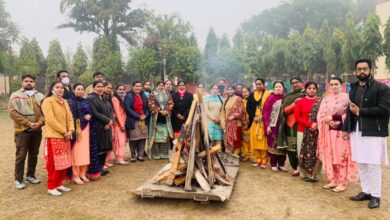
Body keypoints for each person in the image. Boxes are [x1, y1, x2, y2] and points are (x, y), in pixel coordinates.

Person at [344, 59, 390, 209]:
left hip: (373, 131)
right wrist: (346, 128)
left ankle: (376, 196)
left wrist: (361, 111)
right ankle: (366, 191)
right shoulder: (354, 87)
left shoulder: (381, 88)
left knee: (373, 164)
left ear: (370, 70)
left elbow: (384, 109)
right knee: (361, 162)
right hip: (356, 130)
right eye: (359, 69)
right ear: (355, 71)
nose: (362, 71)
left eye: (365, 68)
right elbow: (349, 110)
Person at [317, 77, 358, 192]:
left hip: (342, 133)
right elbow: (320, 115)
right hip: (328, 132)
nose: (334, 86)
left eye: (336, 84)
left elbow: (352, 115)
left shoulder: (347, 98)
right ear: (328, 86)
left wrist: (338, 119)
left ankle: (342, 183)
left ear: (342, 85)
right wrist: (329, 121)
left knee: (341, 157)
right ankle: (333, 180)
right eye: (332, 84)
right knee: (330, 156)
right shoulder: (326, 99)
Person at [8, 74, 45, 189]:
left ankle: (30, 175)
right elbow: (13, 113)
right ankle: (18, 179)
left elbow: (45, 113)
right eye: (26, 81)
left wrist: (39, 123)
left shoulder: (40, 96)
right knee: (21, 155)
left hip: (37, 130)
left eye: (31, 81)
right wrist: (29, 123)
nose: (29, 83)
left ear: (34, 83)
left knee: (34, 154)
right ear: (22, 82)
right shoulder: (15, 95)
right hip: (22, 131)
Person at [41, 81, 74, 196]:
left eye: (62, 88)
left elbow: (70, 118)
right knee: (54, 163)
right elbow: (50, 119)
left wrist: (70, 130)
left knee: (64, 162)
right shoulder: (47, 101)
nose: (60, 89)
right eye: (57, 87)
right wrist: (65, 131)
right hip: (54, 136)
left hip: (66, 136)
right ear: (52, 89)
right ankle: (51, 186)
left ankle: (59, 183)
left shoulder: (64, 101)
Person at [277, 77, 305, 176]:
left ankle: (303, 167)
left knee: (302, 147)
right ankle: (296, 167)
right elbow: (284, 111)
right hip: (290, 125)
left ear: (301, 83)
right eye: (292, 83)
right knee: (292, 148)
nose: (295, 84)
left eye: (297, 82)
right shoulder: (288, 96)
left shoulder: (306, 94)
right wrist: (294, 104)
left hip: (303, 124)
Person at [87, 81, 114, 176]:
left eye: (102, 86)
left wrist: (111, 121)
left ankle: (101, 168)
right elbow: (95, 113)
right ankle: (96, 169)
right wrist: (107, 120)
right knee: (99, 148)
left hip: (107, 127)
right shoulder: (90, 98)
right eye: (98, 86)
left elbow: (111, 111)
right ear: (94, 87)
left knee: (105, 148)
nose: (100, 88)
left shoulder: (104, 97)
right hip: (98, 126)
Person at [67, 83, 92, 184]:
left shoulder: (86, 101)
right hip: (76, 129)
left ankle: (83, 173)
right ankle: (75, 175)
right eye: (78, 89)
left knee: (85, 152)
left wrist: (89, 115)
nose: (81, 91)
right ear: (73, 90)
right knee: (76, 153)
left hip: (86, 128)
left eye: (82, 89)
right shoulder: (70, 101)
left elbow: (90, 112)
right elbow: (69, 116)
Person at [296, 82, 320, 182]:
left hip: (317, 131)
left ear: (317, 90)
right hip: (302, 130)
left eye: (314, 88)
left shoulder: (321, 102)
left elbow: (323, 115)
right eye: (309, 88)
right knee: (303, 152)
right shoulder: (300, 101)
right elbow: (297, 117)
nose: (311, 90)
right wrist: (310, 124)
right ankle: (304, 173)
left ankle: (314, 174)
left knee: (316, 153)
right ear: (305, 89)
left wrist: (317, 124)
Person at [246, 78, 271, 168]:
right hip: (254, 121)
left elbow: (270, 107)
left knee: (263, 140)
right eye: (257, 84)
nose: (258, 86)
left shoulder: (268, 94)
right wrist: (254, 117)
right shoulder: (252, 94)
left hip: (263, 121)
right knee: (254, 139)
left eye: (260, 84)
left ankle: (264, 160)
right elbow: (248, 108)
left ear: (264, 85)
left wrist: (262, 116)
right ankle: (258, 159)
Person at [262, 81, 286, 172]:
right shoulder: (270, 98)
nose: (278, 88)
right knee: (273, 144)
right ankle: (273, 163)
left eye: (280, 86)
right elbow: (265, 112)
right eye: (276, 87)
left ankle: (281, 164)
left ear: (283, 88)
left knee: (283, 144)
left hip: (283, 125)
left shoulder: (285, 97)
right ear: (274, 88)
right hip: (273, 126)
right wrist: (267, 125)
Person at [147, 81, 174, 159]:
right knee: (155, 138)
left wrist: (167, 110)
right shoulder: (152, 94)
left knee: (165, 137)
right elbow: (150, 103)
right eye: (159, 85)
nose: (161, 87)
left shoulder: (168, 94)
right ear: (156, 86)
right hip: (156, 117)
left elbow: (171, 103)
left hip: (165, 116)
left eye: (162, 85)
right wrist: (159, 110)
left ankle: (164, 154)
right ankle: (156, 154)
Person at [125, 81, 150, 162]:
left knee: (142, 137)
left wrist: (145, 115)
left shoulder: (144, 95)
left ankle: (140, 155)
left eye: (140, 86)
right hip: (134, 120)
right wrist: (138, 117)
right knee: (133, 138)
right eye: (136, 86)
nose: (138, 88)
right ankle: (133, 155)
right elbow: (128, 108)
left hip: (143, 119)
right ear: (133, 87)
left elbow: (148, 107)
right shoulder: (129, 96)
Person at [221, 86, 243, 155]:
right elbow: (222, 112)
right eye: (228, 89)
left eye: (231, 89)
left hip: (236, 123)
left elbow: (241, 110)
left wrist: (233, 116)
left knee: (236, 141)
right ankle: (230, 156)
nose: (230, 91)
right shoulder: (225, 100)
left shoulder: (238, 98)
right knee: (228, 140)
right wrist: (223, 123)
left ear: (234, 90)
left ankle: (235, 157)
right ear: (226, 91)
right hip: (227, 124)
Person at [111, 85, 129, 164]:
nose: (121, 91)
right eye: (120, 89)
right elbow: (117, 113)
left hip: (124, 122)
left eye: (123, 89)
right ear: (116, 90)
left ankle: (120, 157)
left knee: (123, 141)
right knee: (120, 141)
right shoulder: (115, 99)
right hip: (119, 123)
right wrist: (121, 125)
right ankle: (119, 159)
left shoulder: (123, 98)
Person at [241, 86, 251, 161]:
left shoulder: (252, 100)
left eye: (246, 92)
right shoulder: (241, 101)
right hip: (243, 122)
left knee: (251, 139)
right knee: (244, 140)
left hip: (251, 122)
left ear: (249, 92)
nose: (244, 93)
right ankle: (246, 154)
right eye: (243, 92)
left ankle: (252, 155)